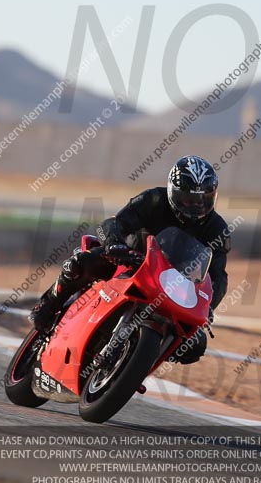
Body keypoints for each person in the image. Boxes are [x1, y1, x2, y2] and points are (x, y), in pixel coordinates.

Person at [30, 155, 231, 364]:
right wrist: (115, 244)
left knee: (194, 344)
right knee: (82, 263)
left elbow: (217, 275)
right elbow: (114, 223)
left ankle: (140, 364)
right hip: (128, 262)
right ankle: (47, 306)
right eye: (188, 199)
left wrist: (208, 307)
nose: (195, 207)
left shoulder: (217, 228)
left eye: (203, 200)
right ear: (172, 191)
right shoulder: (153, 200)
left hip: (174, 287)